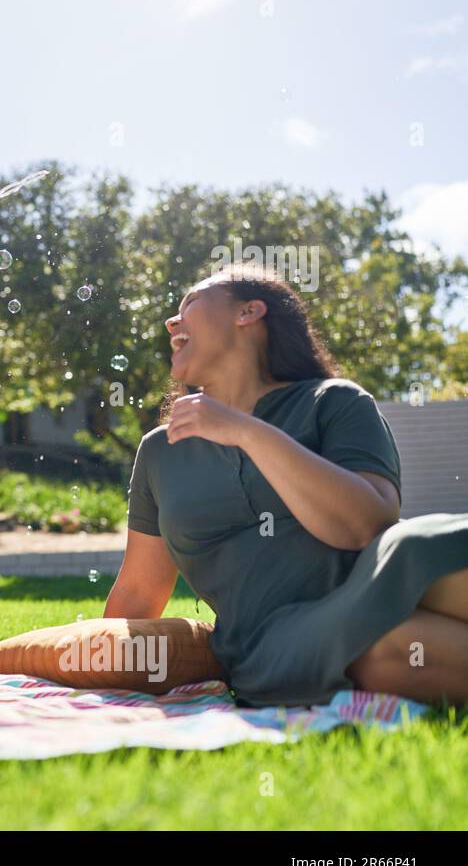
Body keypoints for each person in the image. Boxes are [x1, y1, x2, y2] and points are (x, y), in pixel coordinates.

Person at [104, 264, 468, 707]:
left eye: (191, 304)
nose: (171, 322)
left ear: (249, 313)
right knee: (386, 650)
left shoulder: (335, 401)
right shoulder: (162, 451)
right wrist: (93, 670)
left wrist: (245, 430)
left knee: (420, 546)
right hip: (274, 642)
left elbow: (365, 524)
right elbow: (139, 592)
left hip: (380, 578)